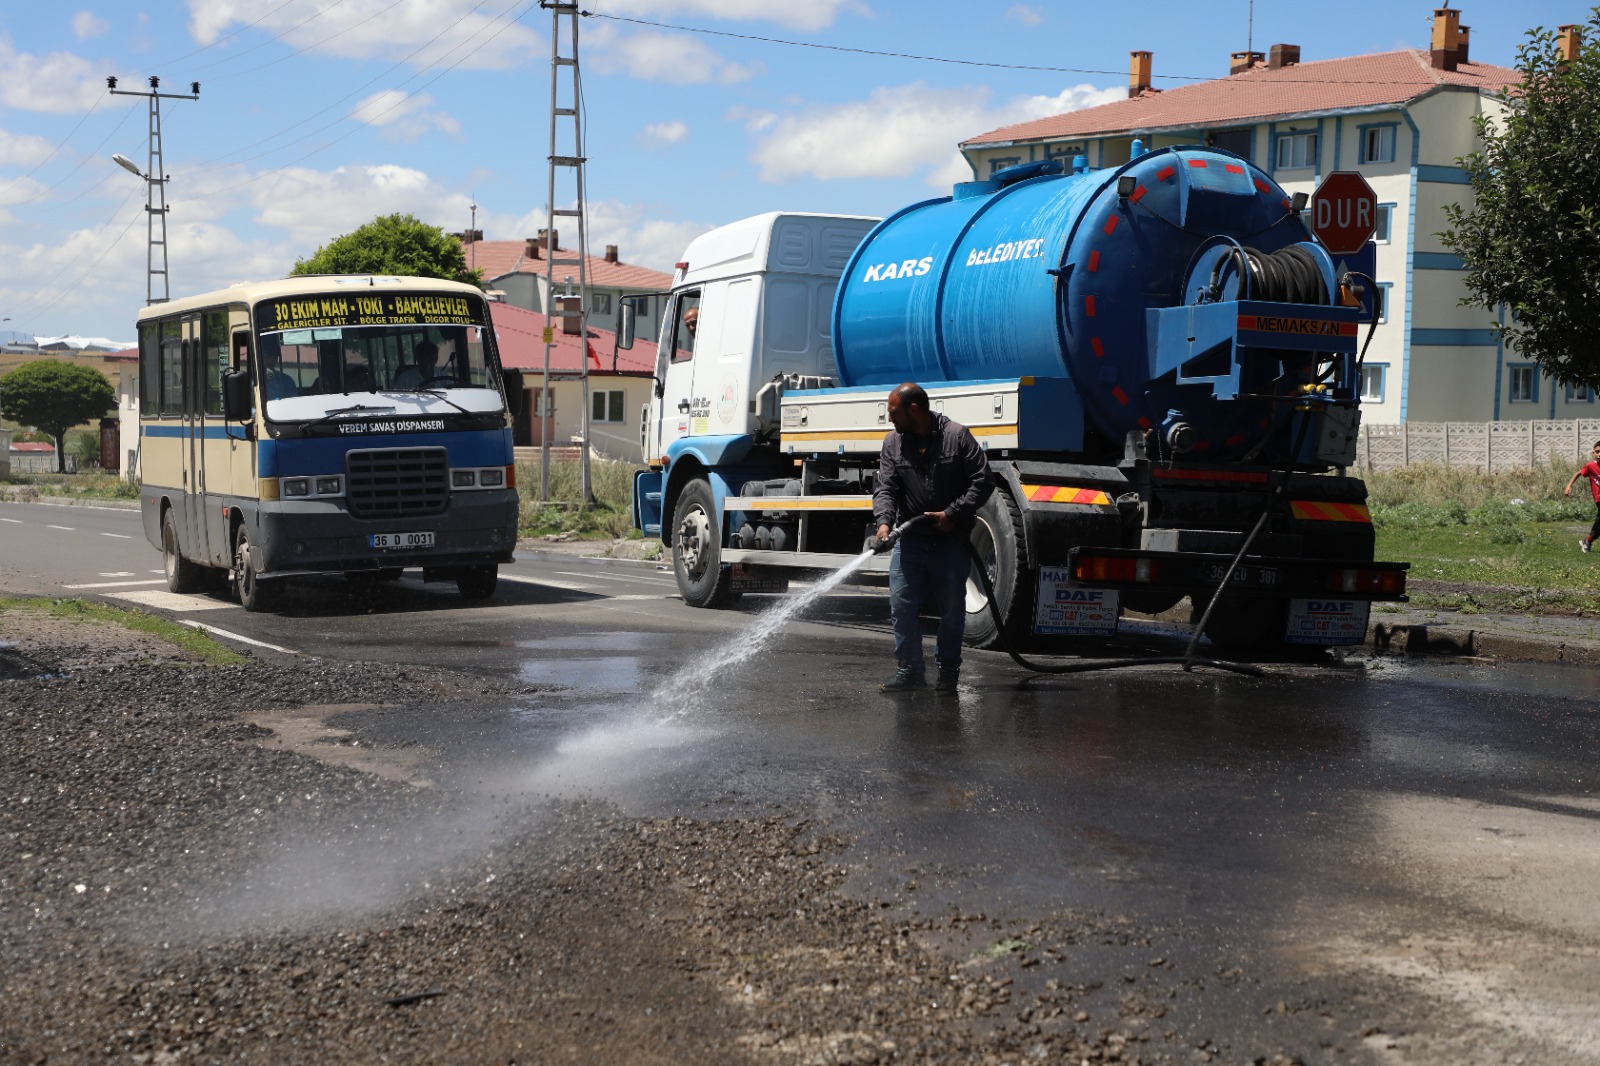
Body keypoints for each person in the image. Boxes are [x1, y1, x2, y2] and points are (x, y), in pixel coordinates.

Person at [872, 382, 994, 693]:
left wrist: (952, 514)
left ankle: (948, 673)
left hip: (950, 542)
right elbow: (886, 488)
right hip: (910, 540)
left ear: (914, 410)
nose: (890, 419)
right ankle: (910, 670)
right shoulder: (893, 444)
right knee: (901, 607)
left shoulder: (957, 436)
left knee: (952, 611)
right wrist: (884, 523)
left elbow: (983, 481)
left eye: (894, 412)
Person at [1564, 439, 1600, 552]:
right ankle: (1588, 541)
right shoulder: (1590, 466)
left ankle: (1588, 541)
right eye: (1597, 451)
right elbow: (1578, 473)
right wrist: (1569, 486)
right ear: (1593, 453)